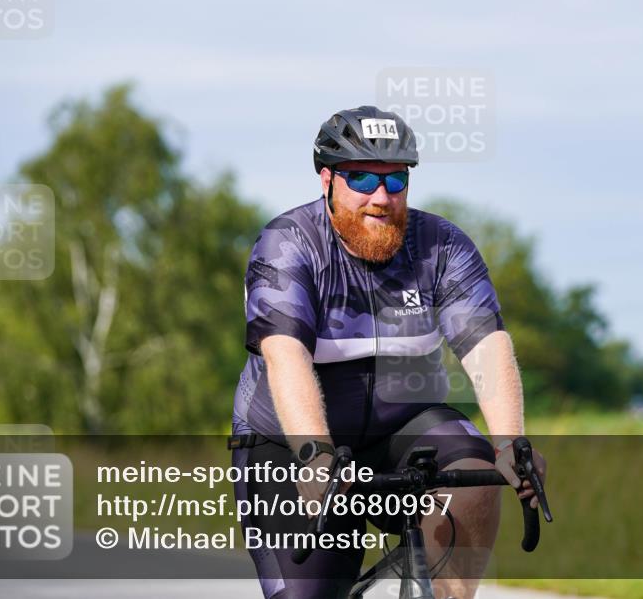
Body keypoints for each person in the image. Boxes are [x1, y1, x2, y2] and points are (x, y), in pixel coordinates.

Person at [230, 106, 546, 599]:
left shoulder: (440, 246)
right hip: (293, 441)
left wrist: (510, 443)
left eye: (395, 181)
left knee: (478, 477)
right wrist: (315, 456)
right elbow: (285, 357)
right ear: (327, 179)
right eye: (361, 178)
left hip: (404, 425)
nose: (380, 198)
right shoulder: (288, 244)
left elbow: (486, 346)